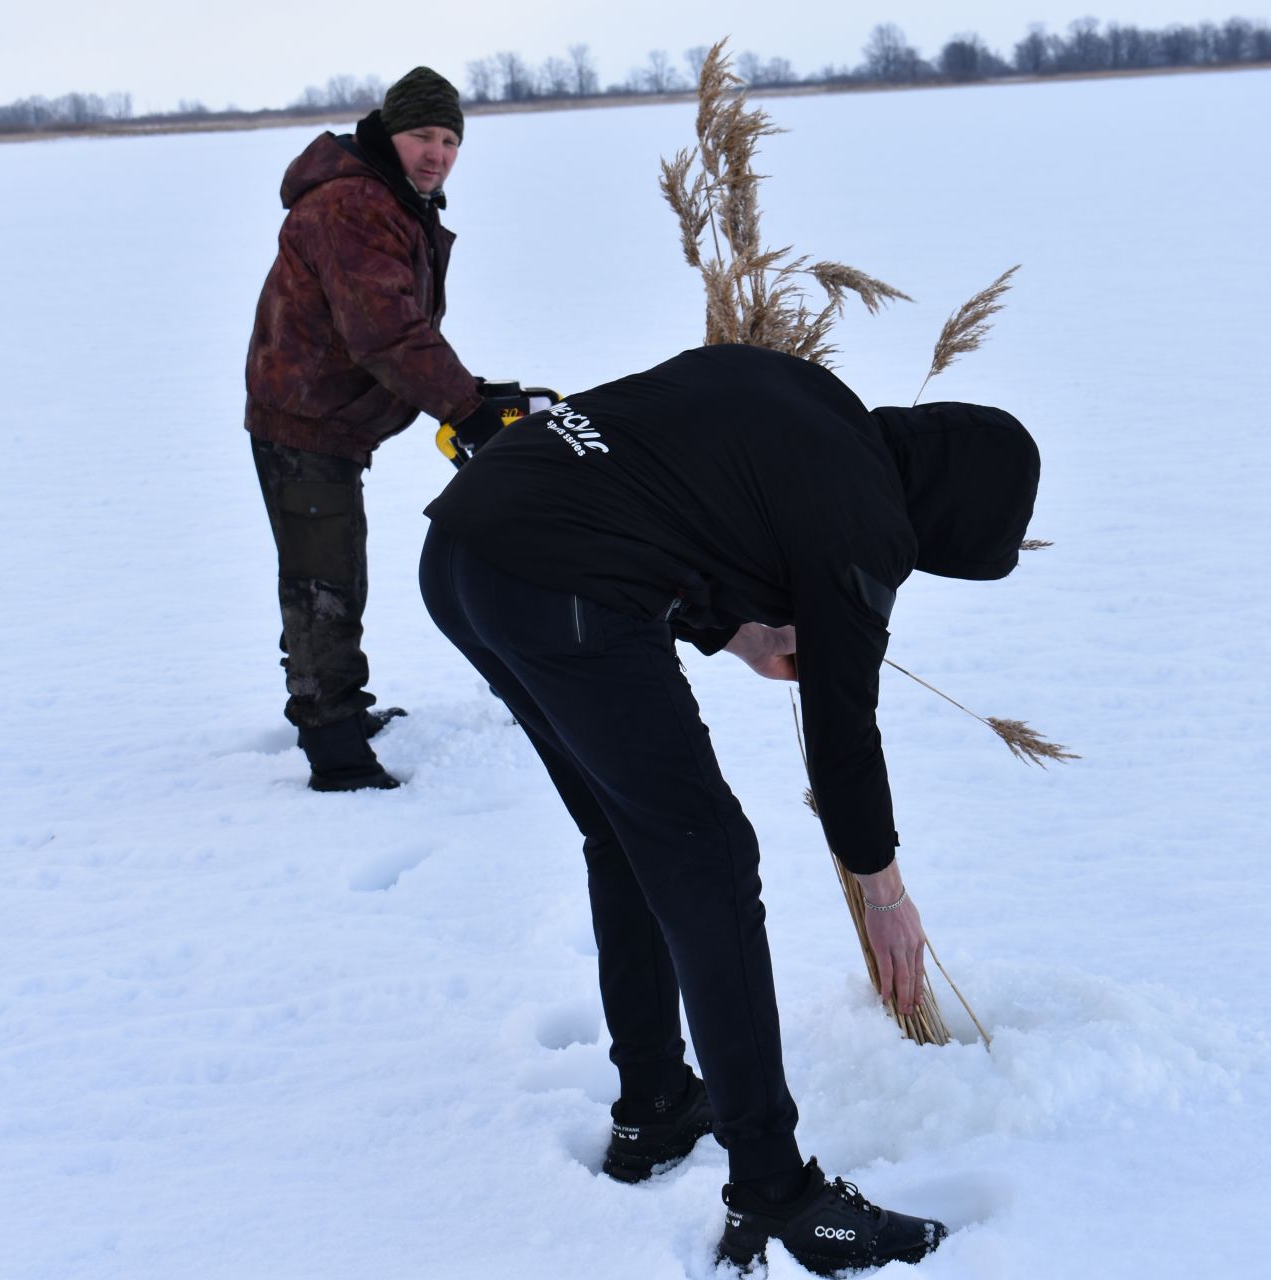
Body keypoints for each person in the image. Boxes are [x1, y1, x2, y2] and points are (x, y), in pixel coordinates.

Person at [417, 342, 1040, 1274]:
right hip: (560, 590)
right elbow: (842, 734)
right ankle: (779, 1195)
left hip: (466, 550)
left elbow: (662, 480)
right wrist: (884, 894)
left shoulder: (806, 395)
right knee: (710, 861)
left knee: (627, 835)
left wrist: (735, 628)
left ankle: (659, 1104)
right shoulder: (865, 520)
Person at [246, 66, 507, 791]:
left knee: (337, 572)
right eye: (422, 135)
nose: (437, 153)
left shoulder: (389, 197)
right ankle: (334, 749)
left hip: (327, 414)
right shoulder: (354, 204)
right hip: (303, 416)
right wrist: (468, 410)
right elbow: (386, 332)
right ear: (388, 133)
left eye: (450, 140)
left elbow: (398, 323)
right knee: (321, 583)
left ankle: (341, 707)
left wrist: (468, 396)